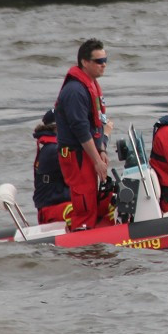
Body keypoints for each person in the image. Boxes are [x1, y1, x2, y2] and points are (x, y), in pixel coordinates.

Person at [54, 38, 114, 231]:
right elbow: (80, 129)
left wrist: (101, 150)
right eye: (99, 61)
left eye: (105, 60)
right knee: (84, 202)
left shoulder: (92, 85)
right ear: (84, 62)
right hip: (75, 154)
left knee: (93, 199)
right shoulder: (75, 91)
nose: (104, 65)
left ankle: (94, 244)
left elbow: (96, 125)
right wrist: (96, 160)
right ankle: (81, 243)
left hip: (88, 152)